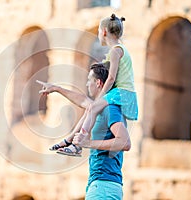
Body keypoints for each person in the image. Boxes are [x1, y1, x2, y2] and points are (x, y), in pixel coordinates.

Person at [45, 13, 138, 156]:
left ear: (104, 32)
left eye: (99, 31)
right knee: (90, 108)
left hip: (121, 92)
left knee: (93, 107)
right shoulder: (117, 50)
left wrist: (101, 96)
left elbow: (112, 77)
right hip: (121, 92)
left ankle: (77, 144)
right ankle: (70, 139)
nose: (98, 34)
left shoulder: (115, 51)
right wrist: (57, 88)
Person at [37, 62, 130, 199]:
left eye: (89, 81)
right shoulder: (99, 108)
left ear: (98, 83)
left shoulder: (110, 109)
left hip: (103, 186)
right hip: (101, 185)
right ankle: (69, 141)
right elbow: (82, 101)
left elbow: (125, 143)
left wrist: (88, 143)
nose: (87, 85)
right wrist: (56, 88)